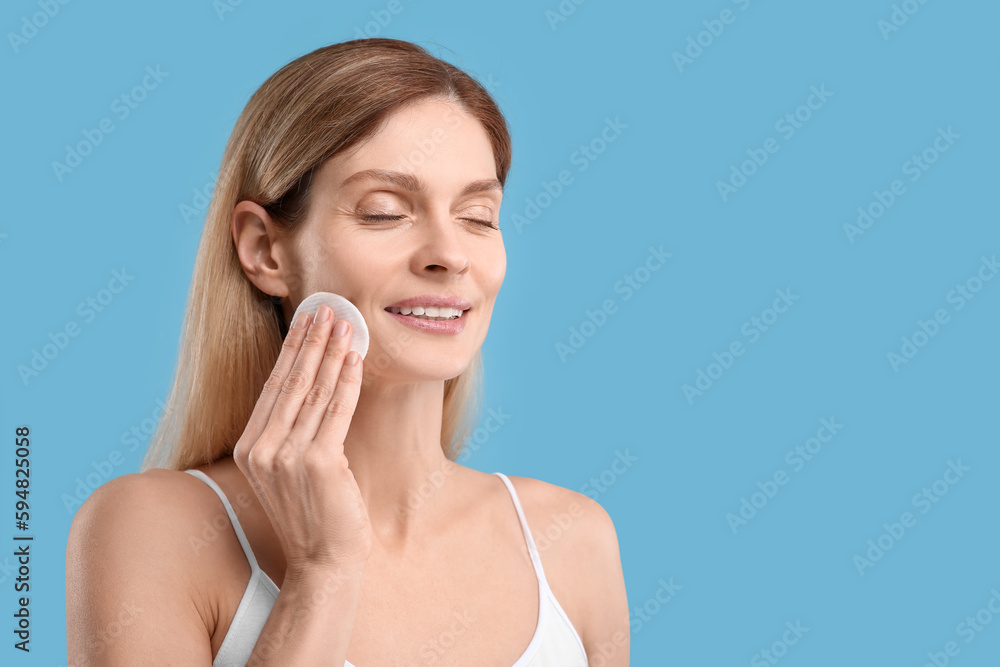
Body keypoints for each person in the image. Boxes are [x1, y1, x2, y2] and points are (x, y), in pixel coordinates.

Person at [66, 37, 629, 666]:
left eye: (478, 215)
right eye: (385, 212)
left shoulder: (573, 541)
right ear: (264, 250)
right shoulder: (147, 531)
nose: (451, 253)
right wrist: (322, 570)